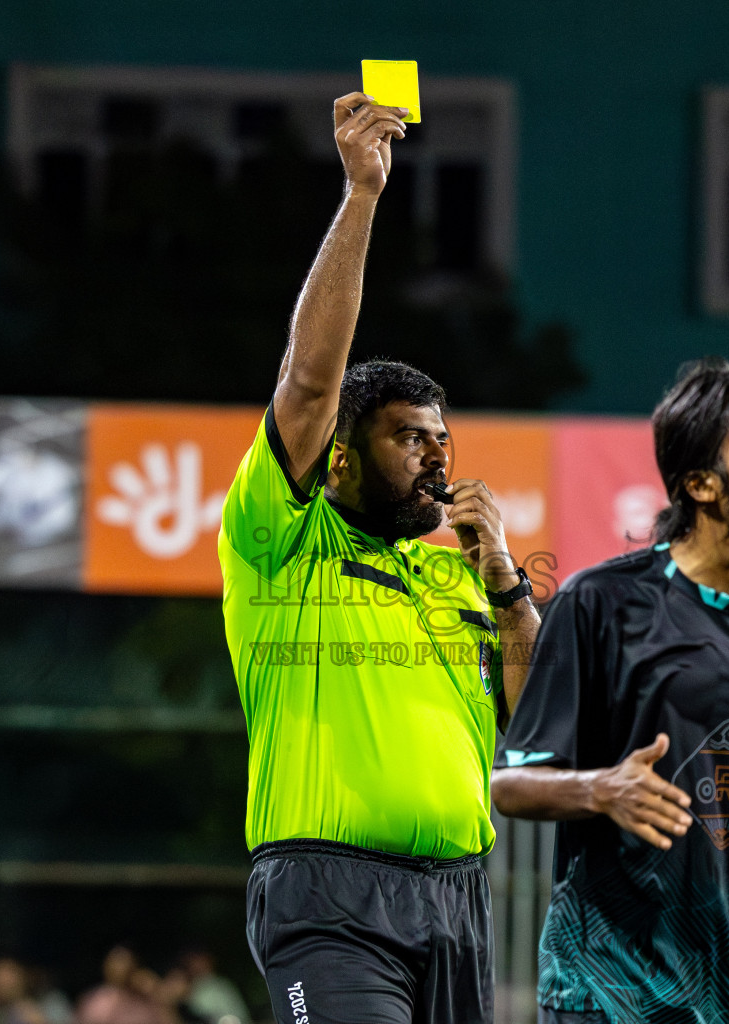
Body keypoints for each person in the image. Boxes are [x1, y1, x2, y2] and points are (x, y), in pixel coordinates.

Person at [217, 90, 541, 1024]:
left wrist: (509, 587)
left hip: (459, 900)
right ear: (342, 457)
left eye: (444, 439)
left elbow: (545, 711)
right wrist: (363, 194)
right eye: (411, 438)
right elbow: (310, 381)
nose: (439, 456)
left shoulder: (454, 574)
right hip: (327, 897)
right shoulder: (280, 541)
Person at [491, 358, 729, 1024]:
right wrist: (602, 789)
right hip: (604, 997)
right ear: (701, 485)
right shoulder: (599, 603)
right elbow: (510, 784)